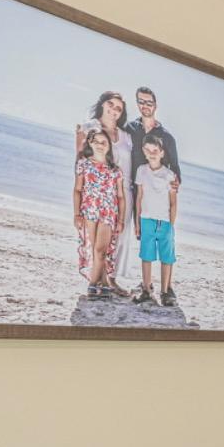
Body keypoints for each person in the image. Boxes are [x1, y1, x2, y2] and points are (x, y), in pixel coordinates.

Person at [73, 91, 131, 297]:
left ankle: (104, 281)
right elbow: (79, 163)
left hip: (114, 198)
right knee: (94, 245)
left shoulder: (125, 135)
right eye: (110, 104)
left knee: (108, 244)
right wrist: (78, 209)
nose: (114, 110)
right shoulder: (88, 128)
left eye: (119, 108)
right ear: (102, 104)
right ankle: (99, 282)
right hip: (91, 200)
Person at [131, 126, 181, 307]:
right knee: (146, 256)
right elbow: (139, 198)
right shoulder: (141, 171)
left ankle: (166, 291)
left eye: (155, 151)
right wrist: (137, 223)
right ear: (144, 152)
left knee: (167, 258)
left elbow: (173, 203)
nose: (152, 154)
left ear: (161, 153)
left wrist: (171, 225)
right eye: (148, 150)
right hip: (146, 220)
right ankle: (146, 289)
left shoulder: (169, 175)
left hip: (165, 222)